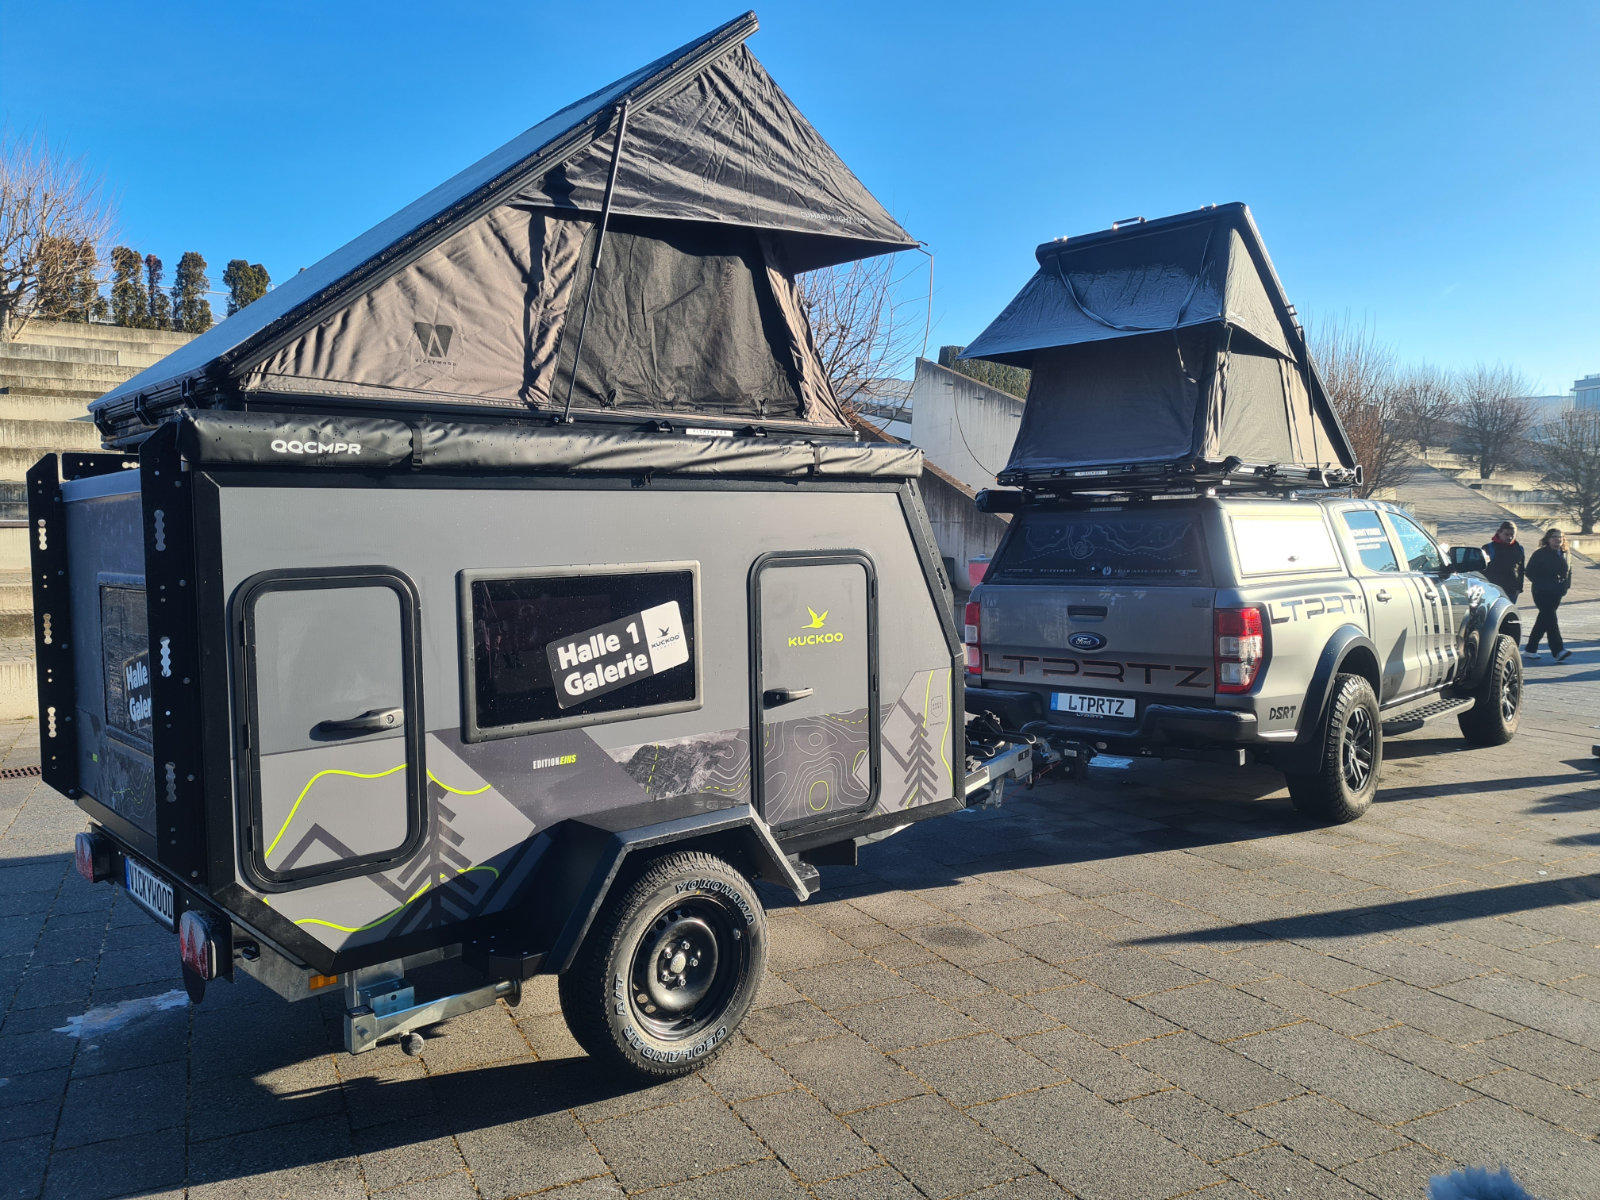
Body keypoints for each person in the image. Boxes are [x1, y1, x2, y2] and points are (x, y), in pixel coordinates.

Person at [1524, 527, 1572, 661]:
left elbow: (1569, 572)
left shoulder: (1565, 553)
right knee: (1551, 619)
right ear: (1548, 539)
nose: (1557, 539)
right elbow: (1529, 572)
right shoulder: (1540, 553)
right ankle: (1558, 650)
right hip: (1541, 592)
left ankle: (1530, 649)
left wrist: (1565, 587)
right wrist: (1543, 583)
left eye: (1560, 537)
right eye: (1554, 537)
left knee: (1544, 620)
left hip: (1557, 592)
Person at [1482, 520, 1525, 602]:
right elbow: (1481, 569)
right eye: (1506, 534)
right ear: (1499, 533)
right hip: (1493, 590)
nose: (1510, 537)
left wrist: (1519, 588)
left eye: (1512, 535)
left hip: (1511, 591)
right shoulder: (1488, 548)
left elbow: (1521, 570)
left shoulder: (1519, 548)